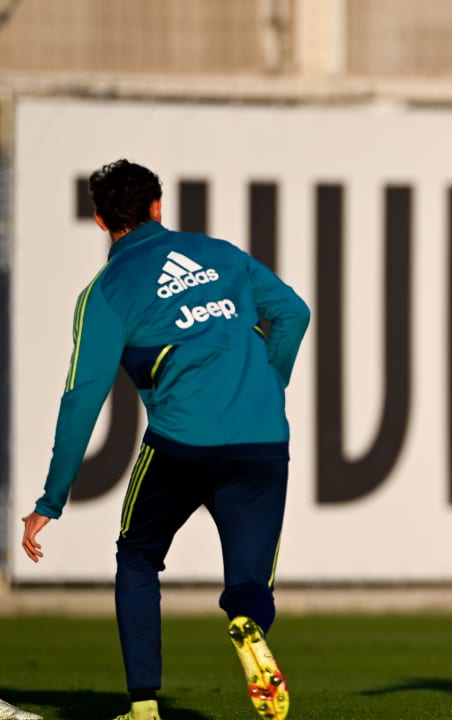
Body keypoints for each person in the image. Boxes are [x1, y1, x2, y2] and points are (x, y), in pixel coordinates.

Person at [20, 159, 310, 720]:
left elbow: (83, 398)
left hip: (181, 444)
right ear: (158, 207)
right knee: (250, 580)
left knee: (138, 555)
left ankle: (145, 706)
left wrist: (51, 500)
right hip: (262, 439)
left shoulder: (105, 292)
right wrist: (269, 382)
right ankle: (247, 622)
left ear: (100, 220)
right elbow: (293, 313)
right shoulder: (222, 254)